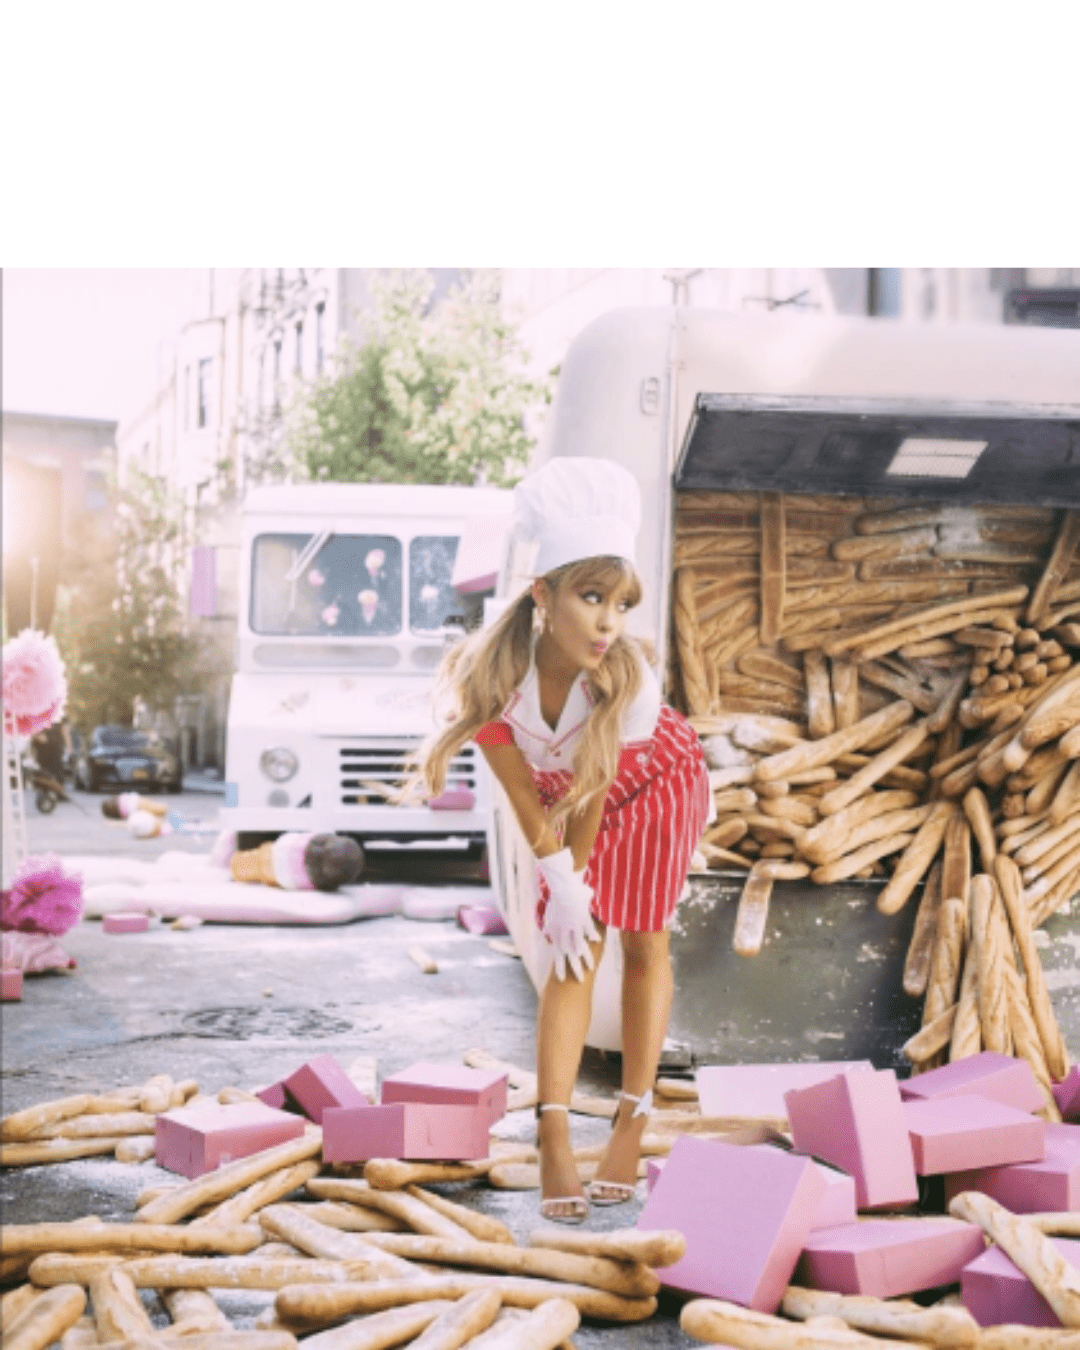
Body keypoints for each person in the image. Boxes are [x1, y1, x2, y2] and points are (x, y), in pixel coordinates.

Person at [418, 457, 711, 1223]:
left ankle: (633, 1118)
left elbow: (598, 784)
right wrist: (560, 882)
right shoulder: (487, 679)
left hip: (653, 784)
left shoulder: (629, 680)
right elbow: (521, 788)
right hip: (562, 800)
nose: (611, 622)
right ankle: (552, 1132)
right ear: (542, 593)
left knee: (640, 942)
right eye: (591, 597)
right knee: (570, 953)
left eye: (620, 602)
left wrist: (573, 883)